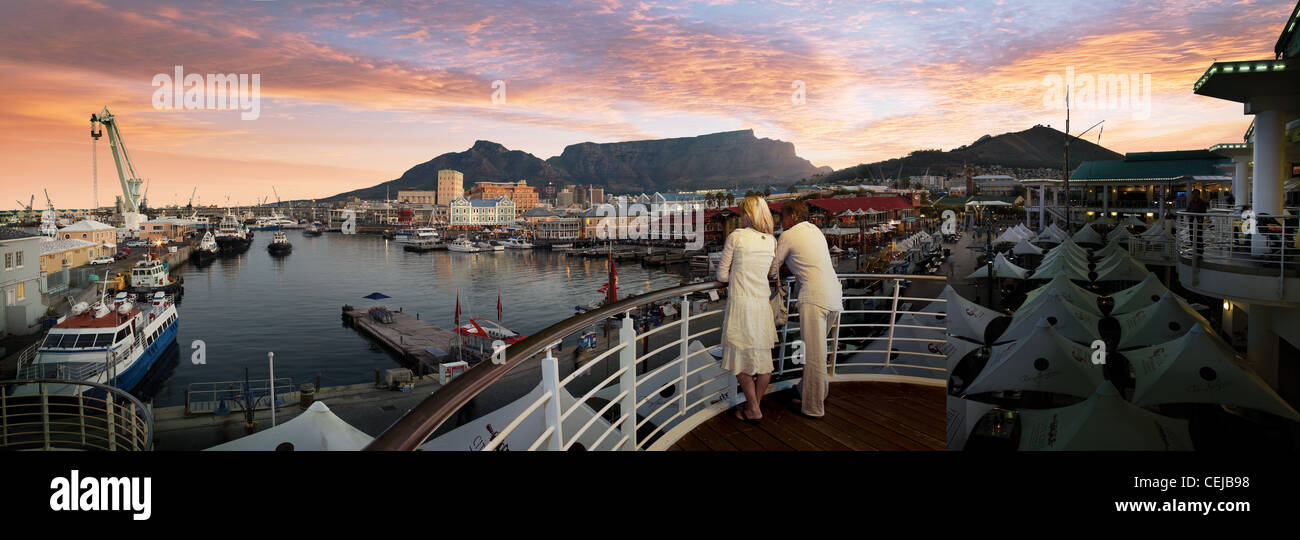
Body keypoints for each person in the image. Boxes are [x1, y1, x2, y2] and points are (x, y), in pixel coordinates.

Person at [770, 200, 843, 418]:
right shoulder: (815, 231)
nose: (780, 222)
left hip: (814, 297)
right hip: (834, 295)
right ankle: (815, 392)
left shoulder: (788, 235)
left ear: (791, 216)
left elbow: (773, 269)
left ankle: (812, 407)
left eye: (782, 217)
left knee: (812, 356)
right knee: (819, 352)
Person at [716, 195, 778, 423]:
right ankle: (754, 406)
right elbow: (772, 274)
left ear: (749, 215)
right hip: (762, 305)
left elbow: (721, 275)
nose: (740, 217)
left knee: (738, 359)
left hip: (741, 305)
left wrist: (737, 273)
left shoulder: (736, 237)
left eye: (742, 213)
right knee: (763, 361)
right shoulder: (771, 240)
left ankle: (754, 408)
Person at [1187, 189, 1209, 256]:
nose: (1194, 195)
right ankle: (1193, 249)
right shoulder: (1191, 202)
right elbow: (1188, 210)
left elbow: (1204, 212)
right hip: (1192, 220)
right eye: (1193, 194)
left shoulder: (1202, 202)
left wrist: (1199, 217)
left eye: (1196, 194)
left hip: (1198, 221)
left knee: (1198, 235)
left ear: (1198, 195)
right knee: (1192, 235)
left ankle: (1200, 251)